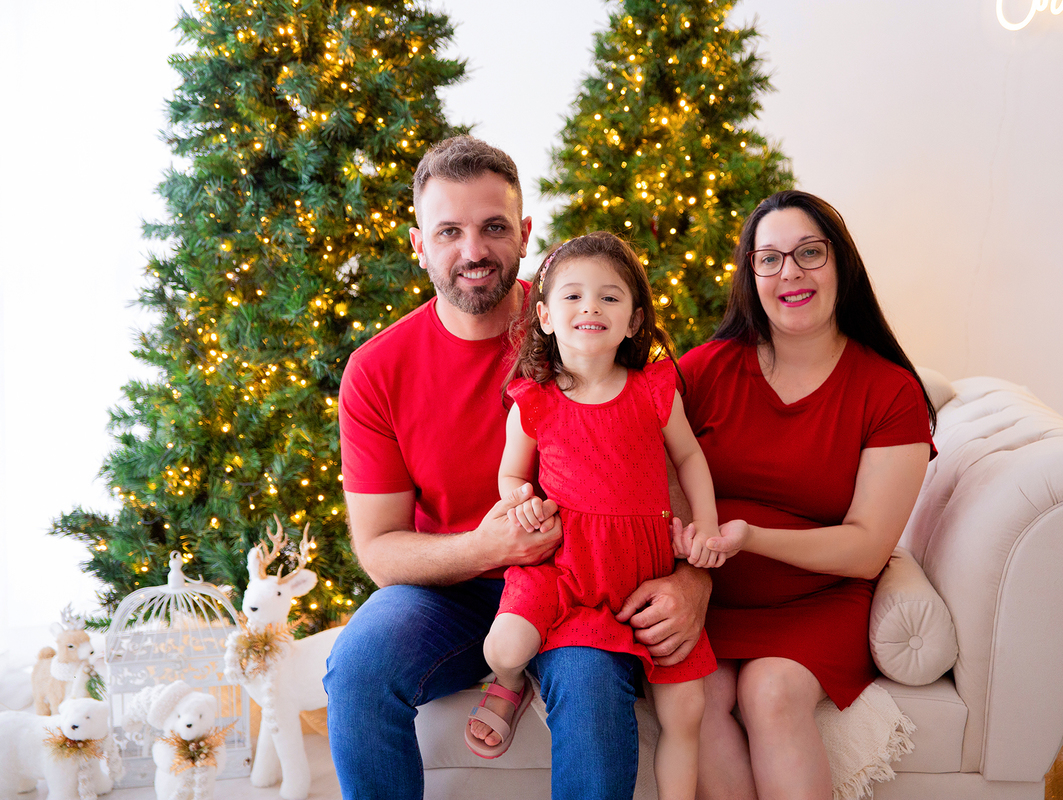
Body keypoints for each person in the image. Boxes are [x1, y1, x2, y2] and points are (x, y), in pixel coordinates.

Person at [324, 136, 713, 800]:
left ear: (525, 234)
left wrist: (692, 582)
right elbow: (380, 550)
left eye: (494, 227)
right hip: (453, 592)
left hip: (586, 582)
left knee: (590, 681)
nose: (473, 250)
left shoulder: (585, 317)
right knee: (358, 668)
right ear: (419, 245)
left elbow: (663, 465)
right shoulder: (377, 370)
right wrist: (489, 547)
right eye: (449, 231)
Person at [676, 190, 937, 799]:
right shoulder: (705, 370)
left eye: (809, 253)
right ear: (751, 277)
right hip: (710, 599)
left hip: (820, 598)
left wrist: (751, 538)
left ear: (840, 264)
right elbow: (639, 455)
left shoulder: (890, 391)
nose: (789, 272)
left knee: (769, 692)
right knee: (694, 696)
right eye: (769, 259)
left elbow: (867, 550)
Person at [465, 233, 723, 799]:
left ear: (634, 321)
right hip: (565, 568)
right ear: (545, 316)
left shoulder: (654, 391)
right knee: (501, 649)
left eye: (610, 297)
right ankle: (509, 685)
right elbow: (510, 477)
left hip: (643, 571)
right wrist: (522, 502)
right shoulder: (533, 401)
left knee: (687, 709)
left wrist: (705, 526)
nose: (591, 307)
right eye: (574, 296)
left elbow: (689, 458)